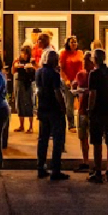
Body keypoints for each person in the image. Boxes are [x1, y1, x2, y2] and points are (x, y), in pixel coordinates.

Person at [85, 49, 108, 184]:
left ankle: (98, 172)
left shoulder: (94, 74)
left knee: (97, 142)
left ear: (95, 59)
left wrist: (90, 109)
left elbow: (92, 94)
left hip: (98, 111)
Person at [35, 50, 69, 181]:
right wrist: (63, 107)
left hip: (43, 108)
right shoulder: (54, 74)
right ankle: (56, 169)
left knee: (42, 139)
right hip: (54, 109)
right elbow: (57, 93)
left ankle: (41, 167)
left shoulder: (38, 72)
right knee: (57, 139)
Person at [71, 51, 94, 173]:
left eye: (87, 61)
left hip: (92, 110)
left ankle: (95, 162)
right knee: (83, 137)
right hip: (82, 109)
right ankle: (86, 161)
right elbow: (74, 86)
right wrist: (75, 88)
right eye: (84, 60)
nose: (84, 63)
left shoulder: (96, 75)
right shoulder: (80, 74)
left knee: (94, 137)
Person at [59, 36, 84, 133]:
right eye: (72, 42)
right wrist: (66, 80)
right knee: (69, 104)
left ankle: (81, 124)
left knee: (82, 104)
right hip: (69, 82)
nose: (74, 44)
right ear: (68, 43)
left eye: (75, 42)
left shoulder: (80, 53)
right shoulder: (64, 54)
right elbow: (61, 69)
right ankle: (71, 125)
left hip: (80, 82)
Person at [12, 46, 36, 134]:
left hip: (29, 83)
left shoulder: (32, 61)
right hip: (20, 82)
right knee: (19, 103)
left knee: (29, 103)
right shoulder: (18, 60)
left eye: (26, 53)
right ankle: (21, 125)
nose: (24, 55)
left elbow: (37, 70)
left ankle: (30, 126)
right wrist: (14, 64)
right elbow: (13, 71)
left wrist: (32, 67)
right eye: (23, 53)